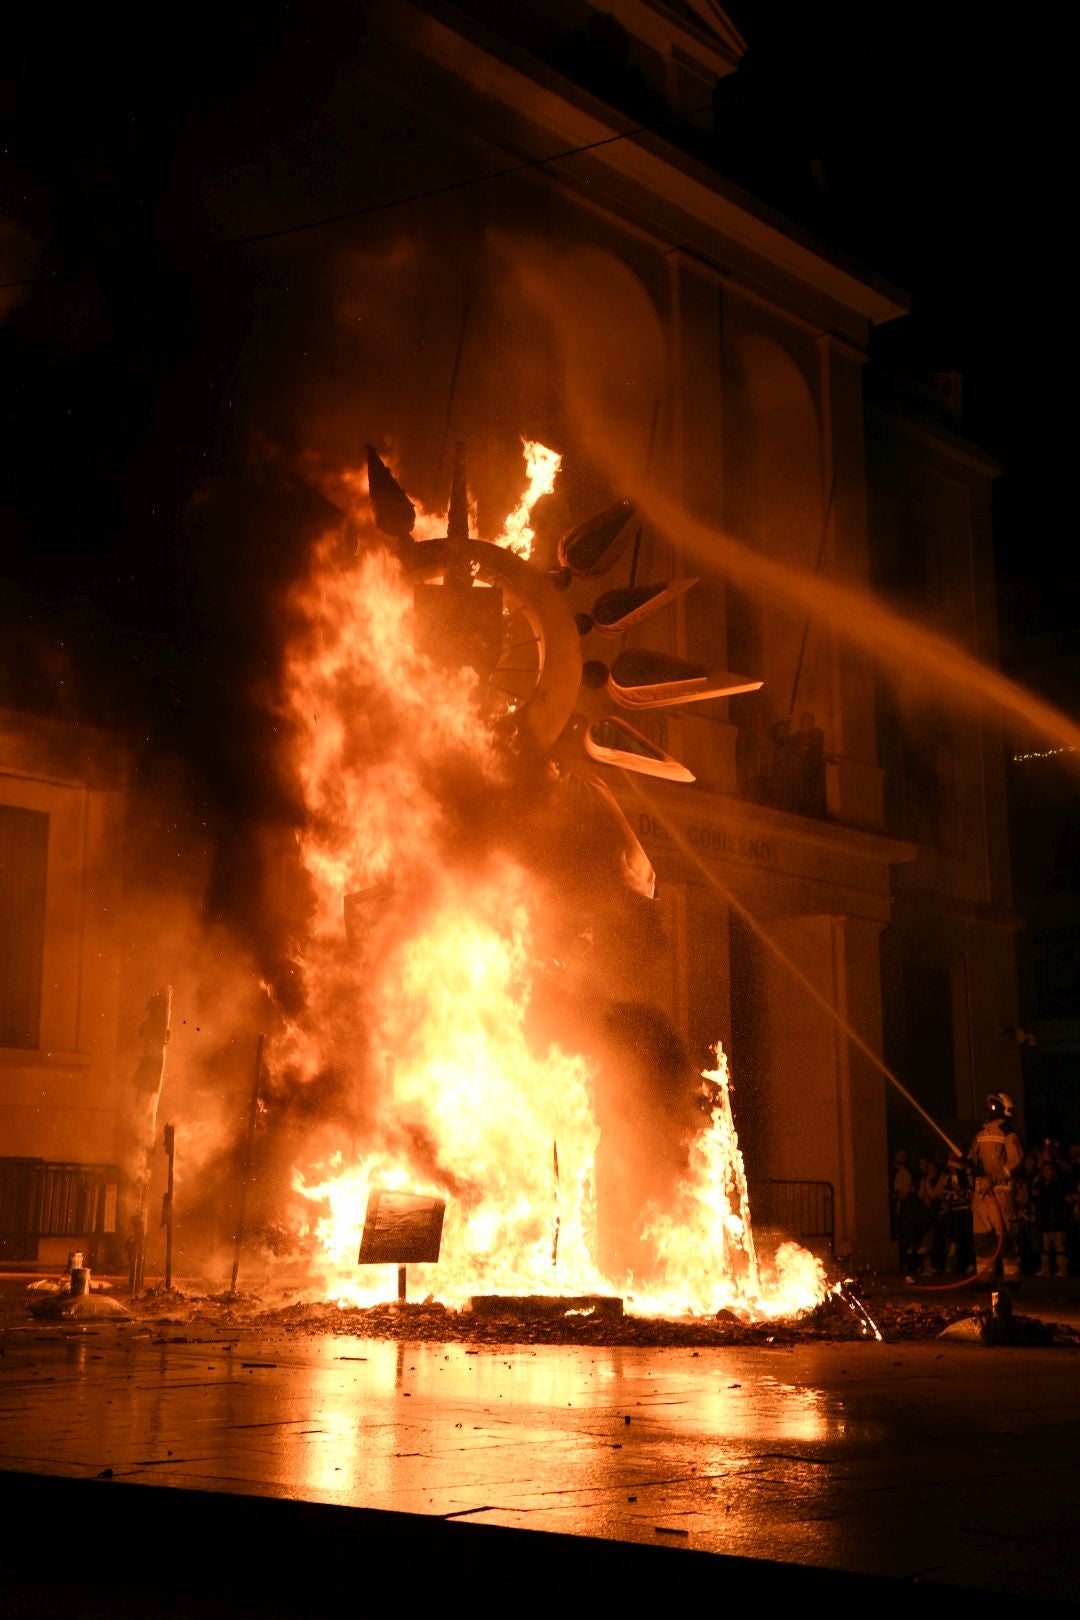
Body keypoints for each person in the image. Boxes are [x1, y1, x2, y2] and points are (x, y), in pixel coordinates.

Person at [967, 1091, 1023, 1281]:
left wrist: (995, 1178)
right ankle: (984, 1278)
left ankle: (1011, 1279)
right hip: (981, 1195)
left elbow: (1016, 1162)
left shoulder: (1008, 1133)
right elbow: (972, 1159)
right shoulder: (981, 1133)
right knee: (982, 1239)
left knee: (1005, 1239)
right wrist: (962, 1164)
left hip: (1000, 1194)